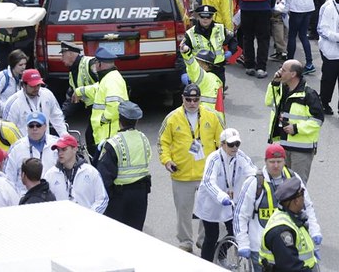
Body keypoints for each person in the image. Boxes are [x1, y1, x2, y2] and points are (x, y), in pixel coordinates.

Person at [159, 83, 225, 252]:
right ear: (182, 99)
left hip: (207, 175)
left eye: (195, 99)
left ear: (200, 99)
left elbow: (223, 142)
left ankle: (204, 240)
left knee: (208, 210)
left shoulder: (212, 116)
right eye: (188, 99)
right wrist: (167, 161)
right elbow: (162, 143)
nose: (192, 103)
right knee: (183, 211)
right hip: (182, 174)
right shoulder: (172, 118)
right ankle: (185, 242)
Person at [234, 145, 321, 268]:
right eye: (272, 162)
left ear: (285, 161)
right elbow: (240, 215)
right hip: (260, 249)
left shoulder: (293, 178)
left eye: (279, 161)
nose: (275, 165)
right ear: (265, 161)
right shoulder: (254, 183)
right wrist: (243, 243)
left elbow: (307, 206)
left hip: (289, 244)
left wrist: (315, 231)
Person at [194, 128, 256, 261]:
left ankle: (220, 251)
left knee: (235, 232)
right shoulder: (214, 158)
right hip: (211, 202)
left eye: (237, 144)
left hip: (231, 202)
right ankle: (206, 264)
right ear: (222, 144)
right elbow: (208, 181)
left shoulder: (241, 156)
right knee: (211, 236)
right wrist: (221, 196)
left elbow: (253, 173)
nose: (235, 148)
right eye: (231, 144)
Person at [266, 59, 325, 181]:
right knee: (281, 185)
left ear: (293, 74)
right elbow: (268, 102)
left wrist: (296, 128)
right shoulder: (282, 89)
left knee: (297, 186)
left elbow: (318, 120)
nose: (279, 72)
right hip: (283, 146)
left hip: (301, 150)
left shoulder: (308, 94)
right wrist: (274, 84)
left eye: (283, 70)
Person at [98, 100, 152, 230]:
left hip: (119, 196)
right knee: (136, 232)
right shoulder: (143, 138)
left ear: (119, 120)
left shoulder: (113, 143)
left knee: (118, 235)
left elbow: (104, 175)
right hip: (141, 194)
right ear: (136, 121)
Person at [259, 177, 319, 270]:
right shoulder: (281, 231)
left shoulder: (291, 217)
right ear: (296, 201)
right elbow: (290, 267)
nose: (304, 198)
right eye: (302, 194)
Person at [44, 133, 108, 213]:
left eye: (64, 149)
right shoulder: (50, 175)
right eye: (58, 150)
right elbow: (45, 202)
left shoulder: (91, 172)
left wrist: (90, 216)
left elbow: (102, 199)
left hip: (86, 222)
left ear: (75, 149)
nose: (60, 153)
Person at [3, 68, 68, 138]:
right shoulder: (13, 103)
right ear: (23, 85)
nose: (36, 88)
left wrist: (65, 136)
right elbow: (7, 130)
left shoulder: (47, 94)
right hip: (23, 146)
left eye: (38, 85)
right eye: (32, 86)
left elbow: (57, 117)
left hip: (46, 145)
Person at [3, 112, 59, 193]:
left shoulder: (56, 144)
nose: (35, 128)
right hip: (25, 197)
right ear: (27, 128)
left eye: (38, 125)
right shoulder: (16, 148)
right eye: (31, 126)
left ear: (45, 127)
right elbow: (8, 177)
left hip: (51, 195)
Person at [0, 50, 26, 119]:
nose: (23, 67)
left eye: (25, 64)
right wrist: (6, 108)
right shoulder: (2, 76)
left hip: (12, 117)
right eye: (20, 65)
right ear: (13, 64)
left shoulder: (21, 77)